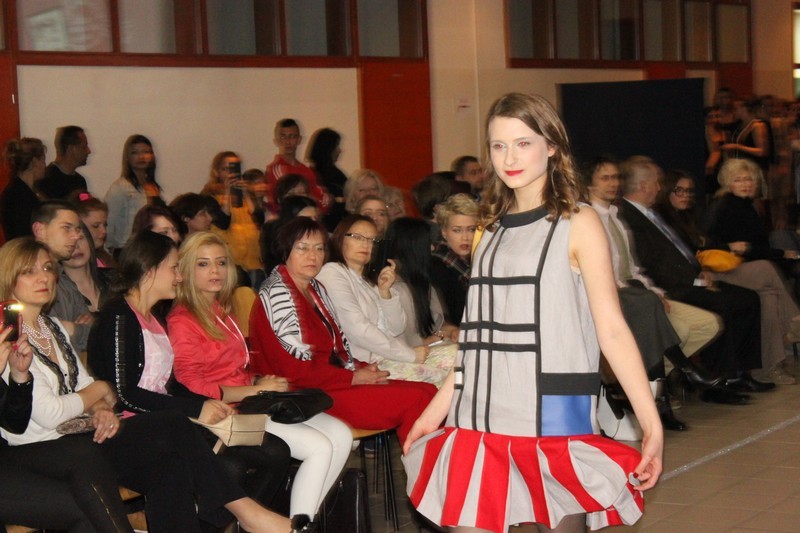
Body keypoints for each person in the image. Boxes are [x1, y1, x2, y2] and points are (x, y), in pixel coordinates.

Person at [402, 93, 662, 533]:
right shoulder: (488, 228)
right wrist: (436, 409)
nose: (510, 158)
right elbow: (477, 336)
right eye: (499, 146)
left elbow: (612, 330)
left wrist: (649, 424)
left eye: (523, 143)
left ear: (552, 146)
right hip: (480, 407)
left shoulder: (580, 222)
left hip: (553, 408)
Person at [2, 237, 290, 533]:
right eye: (29, 271)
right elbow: (57, 410)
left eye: (48, 268)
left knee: (172, 466)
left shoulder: (52, 327)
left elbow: (88, 384)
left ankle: (242, 517)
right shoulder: (10, 336)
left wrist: (100, 407)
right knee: (178, 427)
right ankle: (246, 513)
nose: (44, 277)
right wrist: (100, 392)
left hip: (89, 431)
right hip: (50, 447)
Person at [168, 232, 351, 531]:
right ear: (186, 270)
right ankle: (293, 528)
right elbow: (191, 385)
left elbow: (233, 368)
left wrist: (258, 380)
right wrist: (255, 388)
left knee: (341, 435)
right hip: (228, 413)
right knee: (318, 447)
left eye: (221, 263)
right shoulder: (183, 320)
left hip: (252, 401)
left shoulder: (220, 309)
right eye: (203, 264)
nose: (215, 271)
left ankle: (302, 522)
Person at [249, 217, 437, 443]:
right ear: (285, 250)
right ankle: (424, 464)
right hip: (302, 394)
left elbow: (337, 350)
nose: (313, 256)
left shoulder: (314, 288)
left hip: (328, 383)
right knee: (419, 399)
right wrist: (353, 376)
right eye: (303, 248)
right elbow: (297, 373)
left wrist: (362, 368)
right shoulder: (278, 294)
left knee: (429, 391)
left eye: (319, 248)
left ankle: (426, 462)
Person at [617, 156, 772, 393]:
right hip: (671, 287)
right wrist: (694, 280)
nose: (660, 188)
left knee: (749, 298)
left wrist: (701, 271)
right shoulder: (628, 216)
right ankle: (719, 381)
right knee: (725, 304)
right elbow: (648, 261)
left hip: (690, 278)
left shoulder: (651, 214)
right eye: (657, 182)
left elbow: (682, 250)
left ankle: (740, 373)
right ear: (644, 185)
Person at [658, 165, 800, 385]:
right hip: (717, 271)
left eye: (749, 179)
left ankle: (767, 369)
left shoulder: (739, 207)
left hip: (732, 269)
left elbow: (743, 246)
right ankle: (795, 323)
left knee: (768, 298)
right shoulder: (723, 206)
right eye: (738, 180)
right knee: (765, 268)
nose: (745, 184)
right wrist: (776, 253)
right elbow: (714, 247)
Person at [317, 215, 449, 385]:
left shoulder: (368, 280)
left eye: (372, 240)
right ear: (340, 238)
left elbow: (397, 328)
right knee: (443, 377)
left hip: (388, 356)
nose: (366, 244)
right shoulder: (332, 272)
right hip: (364, 363)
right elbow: (357, 329)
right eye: (357, 237)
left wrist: (385, 293)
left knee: (459, 358)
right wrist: (410, 355)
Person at [386, 217, 458, 348]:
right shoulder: (394, 288)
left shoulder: (422, 284)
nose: (432, 248)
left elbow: (436, 325)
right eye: (427, 244)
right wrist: (431, 339)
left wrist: (452, 331)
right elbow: (401, 341)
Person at [202, 151, 263, 288]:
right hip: (230, 263)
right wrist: (227, 191)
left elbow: (260, 219)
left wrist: (246, 193)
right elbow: (223, 222)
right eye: (226, 169)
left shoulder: (246, 195)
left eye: (234, 169)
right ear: (217, 172)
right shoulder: (210, 196)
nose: (231, 173)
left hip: (254, 263)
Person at [105, 134, 163, 254]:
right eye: (135, 152)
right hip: (126, 249)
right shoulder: (120, 187)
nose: (141, 157)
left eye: (146, 152)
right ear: (127, 157)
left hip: (149, 248)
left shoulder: (153, 187)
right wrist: (108, 249)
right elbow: (109, 221)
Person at [430, 193, 479, 326]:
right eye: (457, 230)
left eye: (471, 229)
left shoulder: (481, 260)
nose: (465, 237)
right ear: (444, 232)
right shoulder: (435, 266)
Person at [266, 119, 326, 209]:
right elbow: (280, 203)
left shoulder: (307, 171)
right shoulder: (275, 170)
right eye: (283, 137)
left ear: (299, 140)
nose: (288, 142)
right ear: (276, 141)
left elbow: (322, 203)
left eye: (293, 136)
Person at [260, 195, 319, 277]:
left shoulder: (320, 238)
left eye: (316, 218)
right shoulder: (279, 242)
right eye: (307, 219)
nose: (314, 223)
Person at [1, 137, 45, 240]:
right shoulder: (19, 195)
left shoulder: (20, 190)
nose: (45, 165)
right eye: (43, 160)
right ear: (34, 162)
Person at [308, 127, 348, 230]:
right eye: (336, 146)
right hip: (329, 227)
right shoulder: (314, 175)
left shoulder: (335, 172)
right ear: (328, 148)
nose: (339, 150)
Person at [37, 125, 90, 200]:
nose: (88, 151)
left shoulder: (80, 181)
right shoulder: (46, 180)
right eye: (84, 146)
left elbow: (85, 205)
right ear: (70, 149)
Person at [75, 195, 115, 268]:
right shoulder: (77, 262)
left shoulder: (103, 257)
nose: (104, 231)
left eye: (105, 225)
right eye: (96, 226)